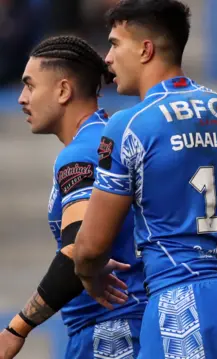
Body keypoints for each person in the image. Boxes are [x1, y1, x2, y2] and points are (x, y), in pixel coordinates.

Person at [71, 1, 217, 358]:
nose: (108, 58)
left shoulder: (129, 125)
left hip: (179, 298)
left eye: (115, 43)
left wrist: (89, 274)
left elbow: (90, 247)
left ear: (145, 49)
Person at [0, 35, 147, 359]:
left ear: (64, 90)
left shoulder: (81, 153)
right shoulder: (106, 137)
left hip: (111, 328)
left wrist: (16, 329)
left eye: (30, 86)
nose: (22, 98)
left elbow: (75, 250)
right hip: (131, 323)